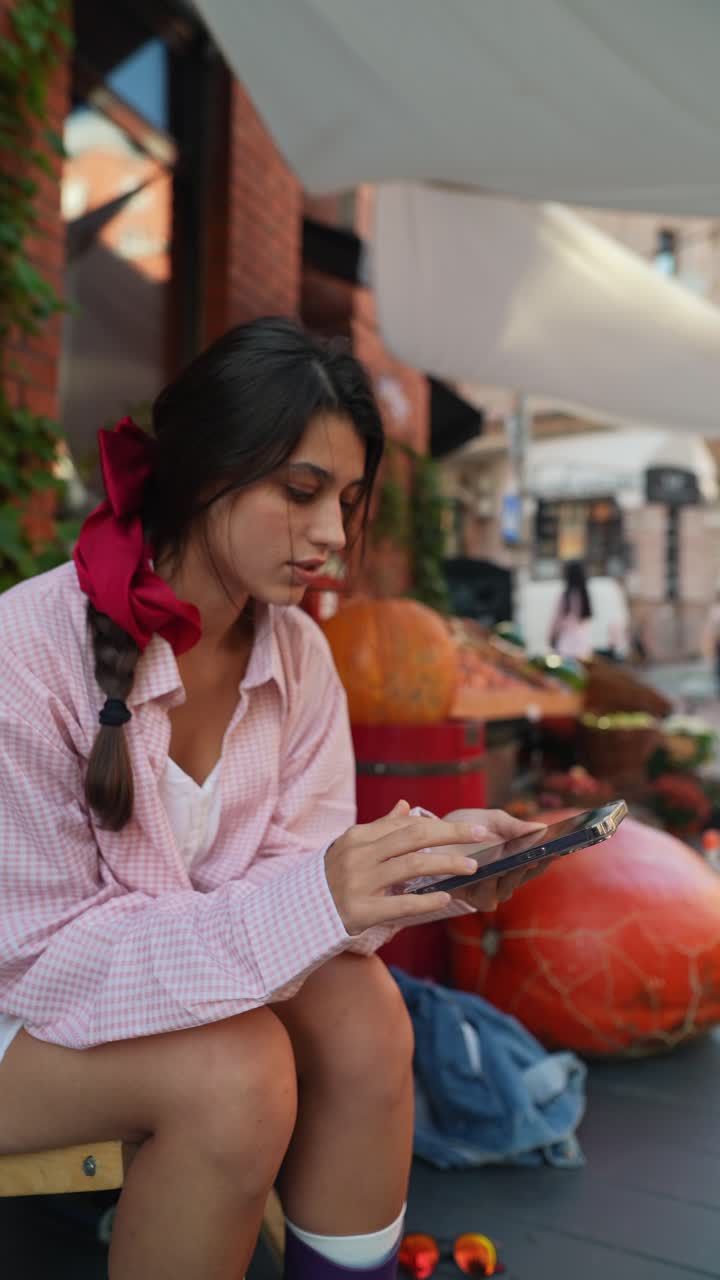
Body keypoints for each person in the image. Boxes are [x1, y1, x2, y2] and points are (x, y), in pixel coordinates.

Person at [0, 318, 544, 1280]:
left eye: (347, 499)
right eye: (301, 491)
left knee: (365, 1012)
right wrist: (318, 896)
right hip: (21, 1013)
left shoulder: (298, 658)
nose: (331, 534)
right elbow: (41, 961)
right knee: (236, 1075)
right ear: (203, 470)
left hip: (154, 991)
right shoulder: (28, 649)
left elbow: (296, 886)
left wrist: (421, 866)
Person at [548, 559, 594, 661]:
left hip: (566, 647)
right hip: (583, 647)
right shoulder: (585, 596)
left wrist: (551, 637)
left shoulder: (566, 596)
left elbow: (557, 620)